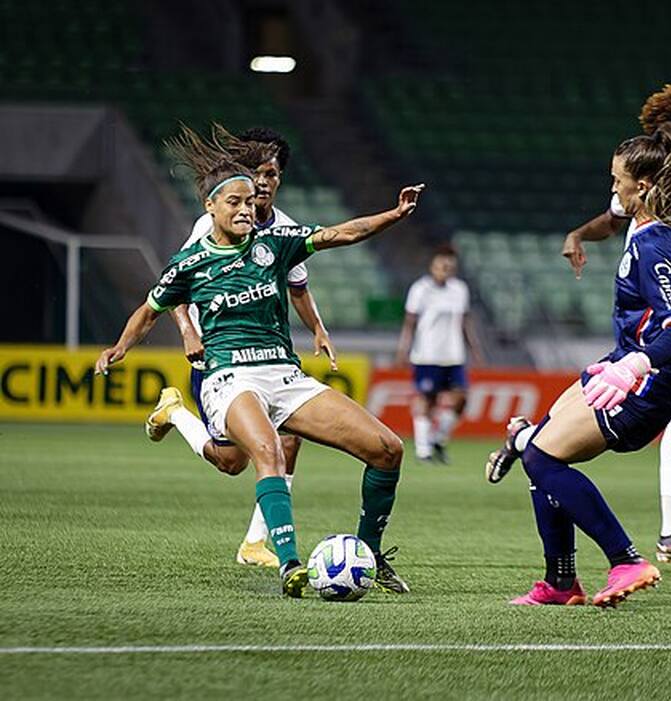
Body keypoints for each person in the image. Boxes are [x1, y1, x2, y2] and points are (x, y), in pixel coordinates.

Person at [94, 124, 424, 596]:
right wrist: (120, 347)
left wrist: (394, 213)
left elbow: (340, 233)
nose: (248, 207)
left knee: (387, 449)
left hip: (284, 375)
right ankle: (289, 563)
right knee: (265, 452)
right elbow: (150, 311)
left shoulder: (278, 242)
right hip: (226, 376)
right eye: (236, 202)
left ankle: (368, 555)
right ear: (210, 208)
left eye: (251, 201)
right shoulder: (190, 263)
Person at [487, 85, 671, 564]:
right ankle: (569, 570)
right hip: (646, 338)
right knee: (549, 448)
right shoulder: (650, 199)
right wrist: (578, 234)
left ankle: (635, 551)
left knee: (555, 454)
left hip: (667, 338)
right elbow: (613, 219)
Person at [156, 126, 337, 570]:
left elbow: (297, 288)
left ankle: (257, 542)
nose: (263, 181)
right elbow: (174, 283)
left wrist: (318, 328)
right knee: (231, 462)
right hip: (216, 354)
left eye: (271, 173)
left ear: (279, 179)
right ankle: (175, 412)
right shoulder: (213, 220)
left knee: (290, 439)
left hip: (268, 358)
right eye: (256, 172)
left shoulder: (288, 229)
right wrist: (187, 331)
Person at [395, 244, 484, 463]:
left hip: (454, 355)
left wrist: (475, 349)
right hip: (427, 354)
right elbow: (410, 323)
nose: (445, 268)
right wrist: (403, 350)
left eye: (449, 264)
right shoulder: (420, 289)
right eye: (441, 264)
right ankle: (423, 450)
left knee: (461, 398)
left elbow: (464, 322)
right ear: (432, 266)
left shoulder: (459, 289)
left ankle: (438, 438)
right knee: (427, 400)